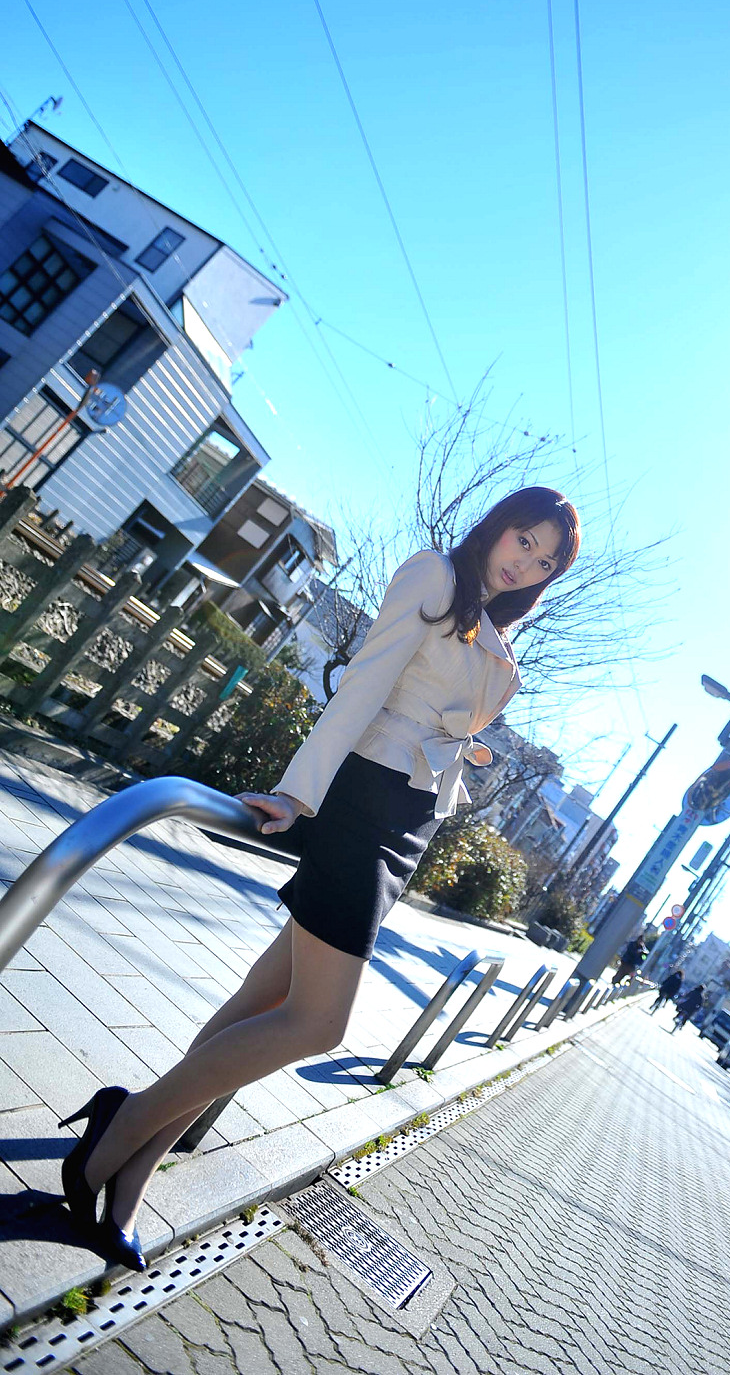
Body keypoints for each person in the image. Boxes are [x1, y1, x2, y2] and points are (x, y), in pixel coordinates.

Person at [60, 486, 580, 1269]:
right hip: (361, 808)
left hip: (408, 825)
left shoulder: (495, 635)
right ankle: (123, 1121)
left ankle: (134, 1170)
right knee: (318, 1023)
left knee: (261, 1001)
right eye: (524, 540)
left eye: (544, 562)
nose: (526, 563)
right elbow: (363, 686)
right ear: (498, 525)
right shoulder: (436, 577)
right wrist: (297, 794)